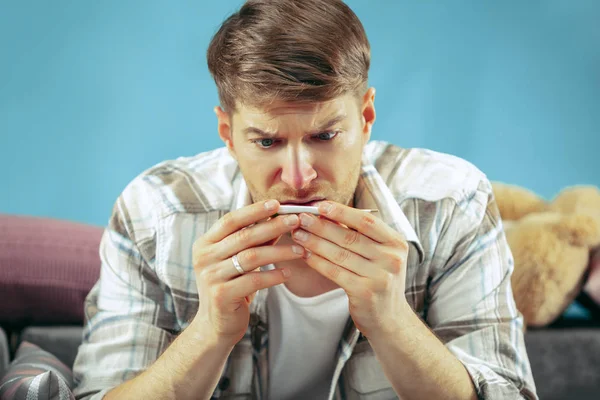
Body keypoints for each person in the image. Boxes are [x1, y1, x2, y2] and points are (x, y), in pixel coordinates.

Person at [72, 1, 538, 399]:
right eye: (267, 142)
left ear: (367, 116)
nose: (299, 178)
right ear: (227, 135)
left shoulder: (452, 202)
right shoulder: (153, 211)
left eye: (325, 134)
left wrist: (394, 323)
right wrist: (209, 332)